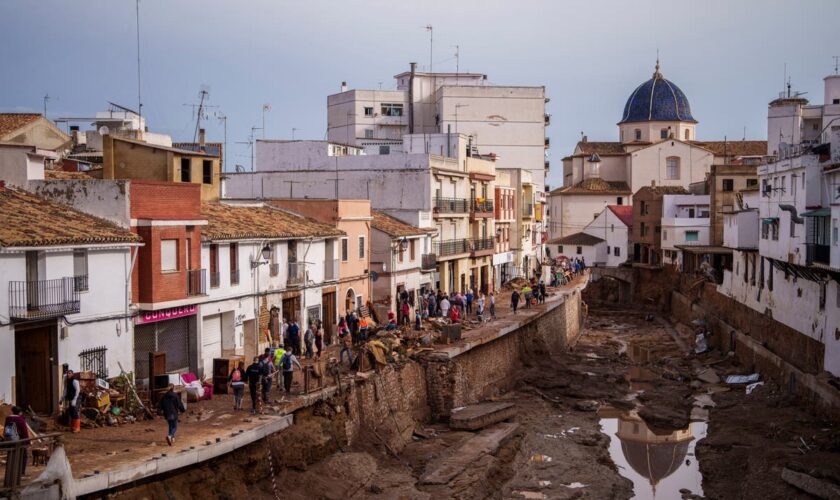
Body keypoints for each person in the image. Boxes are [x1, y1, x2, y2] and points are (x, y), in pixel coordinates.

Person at [4, 406, 30, 476]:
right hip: (19, 441)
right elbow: (24, 432)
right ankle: (21, 473)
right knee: (23, 456)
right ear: (20, 412)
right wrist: (27, 442)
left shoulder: (8, 419)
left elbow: (6, 430)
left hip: (9, 440)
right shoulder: (20, 420)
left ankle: (11, 473)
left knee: (11, 456)